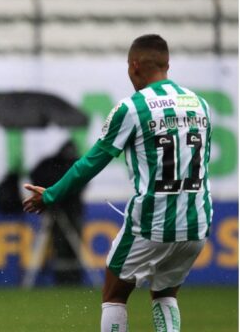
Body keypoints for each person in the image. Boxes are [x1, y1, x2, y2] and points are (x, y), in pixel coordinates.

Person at [23, 34, 211, 332]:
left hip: (152, 221)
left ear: (134, 65)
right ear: (167, 64)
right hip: (196, 222)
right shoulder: (200, 105)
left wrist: (51, 195)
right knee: (164, 294)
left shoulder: (132, 108)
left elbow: (90, 162)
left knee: (114, 294)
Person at [29, 139, 84, 285]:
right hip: (62, 209)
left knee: (71, 245)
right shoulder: (54, 164)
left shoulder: (54, 164)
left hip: (71, 210)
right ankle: (65, 278)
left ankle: (73, 278)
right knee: (60, 244)